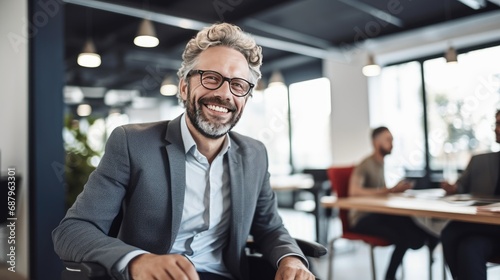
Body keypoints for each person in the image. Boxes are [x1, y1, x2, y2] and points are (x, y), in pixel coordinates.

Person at [52, 23, 314, 280]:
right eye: (211, 78)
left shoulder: (254, 154)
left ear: (246, 97)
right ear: (184, 87)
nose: (224, 94)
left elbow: (270, 228)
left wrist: (290, 258)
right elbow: (73, 230)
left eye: (238, 85)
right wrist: (137, 261)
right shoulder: (131, 143)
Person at [348, 126, 437, 280]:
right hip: (362, 218)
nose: (392, 144)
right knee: (405, 237)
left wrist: (393, 191)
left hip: (377, 213)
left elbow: (381, 192)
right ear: (376, 143)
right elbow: (354, 191)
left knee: (415, 224)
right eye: (388, 140)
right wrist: (387, 190)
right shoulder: (365, 165)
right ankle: (390, 277)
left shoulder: (381, 163)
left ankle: (427, 241)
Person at [440, 110, 500, 280]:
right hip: (487, 227)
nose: (496, 129)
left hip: (488, 225)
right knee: (468, 247)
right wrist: (454, 188)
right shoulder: (481, 161)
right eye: (495, 123)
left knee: (451, 231)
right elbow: (461, 185)